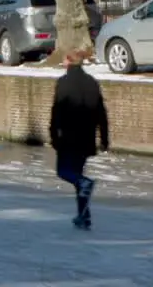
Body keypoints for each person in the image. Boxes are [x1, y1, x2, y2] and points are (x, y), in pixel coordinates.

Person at [50, 48, 110, 230]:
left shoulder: (63, 82)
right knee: (78, 175)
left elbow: (57, 111)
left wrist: (54, 135)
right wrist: (105, 138)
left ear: (69, 61)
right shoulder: (92, 82)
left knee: (64, 172)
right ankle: (84, 216)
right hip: (86, 138)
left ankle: (83, 187)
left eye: (64, 60)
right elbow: (101, 112)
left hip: (68, 137)